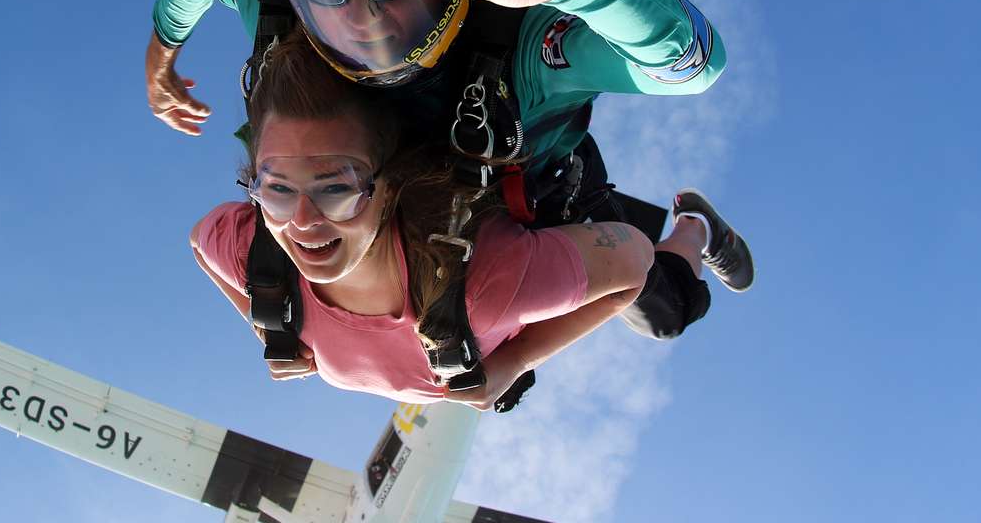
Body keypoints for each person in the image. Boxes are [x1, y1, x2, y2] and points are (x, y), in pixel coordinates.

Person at [154, 0, 750, 339]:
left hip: (531, 190)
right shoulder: (273, 1)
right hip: (388, 203)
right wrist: (162, 58)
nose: (366, 21)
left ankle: (695, 227)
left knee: (662, 312)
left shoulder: (524, 43)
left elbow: (690, 67)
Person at [190, 31, 742, 408]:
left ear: (388, 188)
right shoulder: (255, 253)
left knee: (663, 315)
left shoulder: (490, 288)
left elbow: (634, 259)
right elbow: (200, 242)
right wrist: (266, 321)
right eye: (278, 189)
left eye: (337, 189)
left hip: (550, 202)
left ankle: (696, 226)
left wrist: (519, 359)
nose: (302, 221)